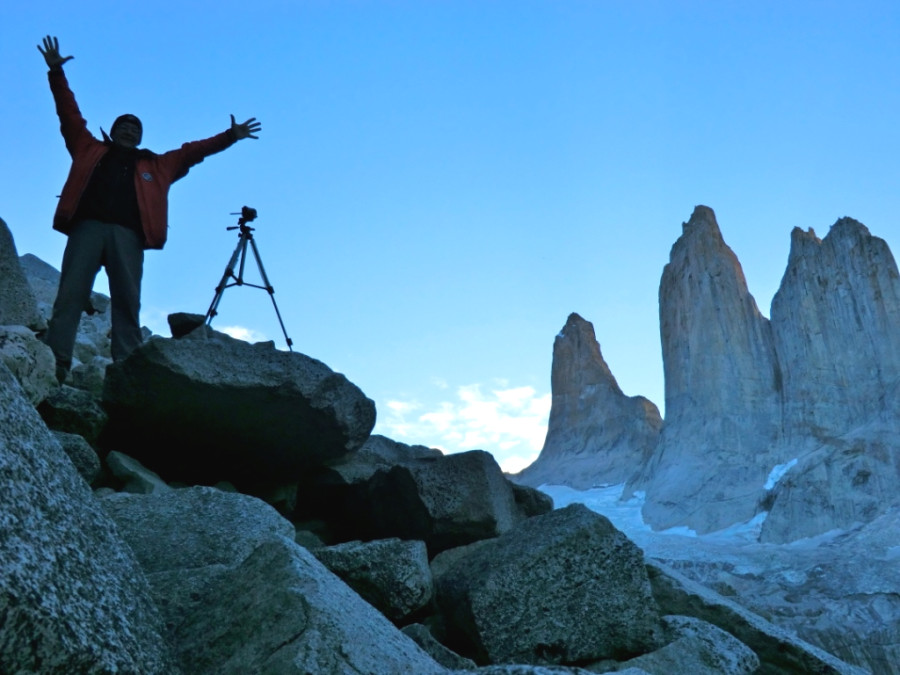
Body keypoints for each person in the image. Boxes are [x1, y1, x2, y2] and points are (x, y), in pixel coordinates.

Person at [37, 35, 261, 383]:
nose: (129, 129)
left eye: (135, 127)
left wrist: (229, 136)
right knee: (70, 295)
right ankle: (54, 364)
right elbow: (69, 114)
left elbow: (191, 151)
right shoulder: (88, 148)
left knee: (127, 302)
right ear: (112, 131)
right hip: (88, 229)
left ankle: (127, 371)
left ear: (140, 137)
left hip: (128, 237)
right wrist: (56, 73)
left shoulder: (158, 165)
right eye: (123, 126)